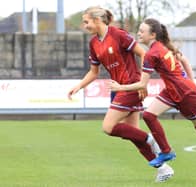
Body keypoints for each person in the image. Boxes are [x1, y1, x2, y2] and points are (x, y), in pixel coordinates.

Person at [108, 18, 196, 181]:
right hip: (172, 91)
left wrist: (119, 88)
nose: (138, 33)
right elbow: (184, 60)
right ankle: (166, 151)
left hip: (185, 94)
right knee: (149, 115)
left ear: (153, 34)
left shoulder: (152, 54)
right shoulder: (163, 47)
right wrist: (191, 81)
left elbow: (143, 84)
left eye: (142, 31)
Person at [67, 7, 174, 182]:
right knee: (133, 135)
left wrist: (142, 82)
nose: (84, 25)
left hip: (130, 87)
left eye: (86, 21)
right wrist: (79, 86)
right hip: (117, 89)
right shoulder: (93, 43)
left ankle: (151, 138)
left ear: (97, 20)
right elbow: (94, 72)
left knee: (108, 127)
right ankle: (162, 169)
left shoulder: (118, 35)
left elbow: (144, 54)